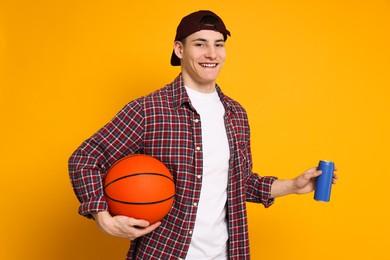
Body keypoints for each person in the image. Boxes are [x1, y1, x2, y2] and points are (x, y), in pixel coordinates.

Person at [69, 10, 337, 260]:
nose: (212, 53)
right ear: (179, 49)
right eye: (200, 44)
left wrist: (293, 185)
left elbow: (239, 183)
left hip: (227, 253)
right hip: (165, 252)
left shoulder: (236, 114)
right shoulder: (149, 110)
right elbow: (85, 158)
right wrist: (102, 216)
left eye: (219, 44)